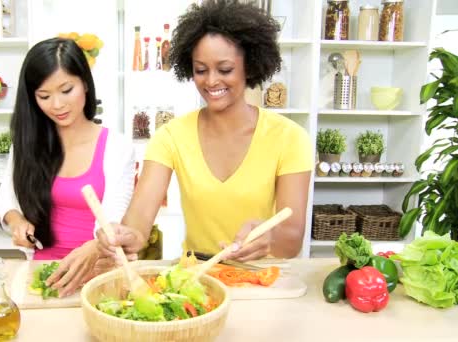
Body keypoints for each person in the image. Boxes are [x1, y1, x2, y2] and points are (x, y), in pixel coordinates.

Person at [97, 0, 313, 263]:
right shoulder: (170, 137)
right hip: (196, 279)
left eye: (225, 69)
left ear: (251, 65)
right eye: (201, 70)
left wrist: (270, 240)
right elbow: (139, 221)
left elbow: (292, 241)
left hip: (260, 279)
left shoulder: (289, 138)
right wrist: (125, 236)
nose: (211, 81)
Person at [0, 38, 135, 296]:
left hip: (98, 275)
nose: (57, 105)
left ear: (84, 82)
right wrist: (16, 221)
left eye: (66, 90)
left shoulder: (116, 146)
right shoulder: (28, 143)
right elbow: (7, 194)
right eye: (44, 96)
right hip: (43, 275)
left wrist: (94, 247)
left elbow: (113, 218)